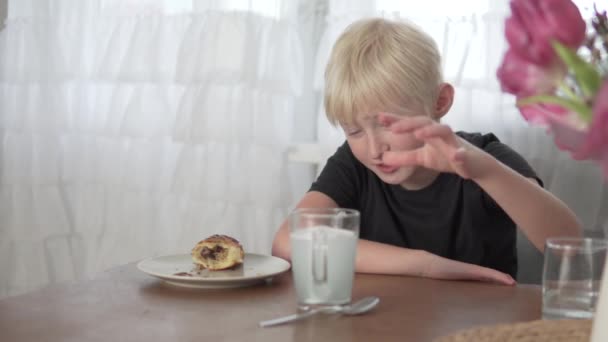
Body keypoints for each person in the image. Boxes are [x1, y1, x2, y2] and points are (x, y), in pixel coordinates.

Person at [272, 17, 581, 285]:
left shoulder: (481, 156)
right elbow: (288, 242)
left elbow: (571, 244)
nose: (375, 148)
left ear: (440, 102)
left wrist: (484, 171)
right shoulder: (354, 164)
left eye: (388, 125)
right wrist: (426, 265)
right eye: (354, 131)